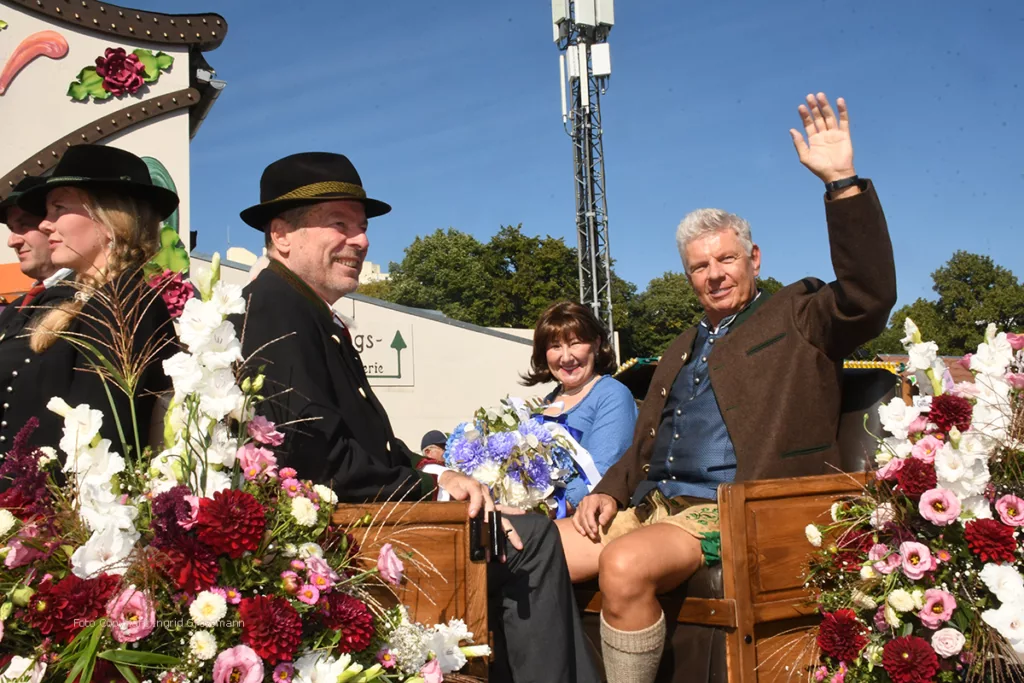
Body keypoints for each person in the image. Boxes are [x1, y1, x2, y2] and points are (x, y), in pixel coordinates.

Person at [556, 93, 897, 683]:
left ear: (754, 258)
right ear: (686, 275)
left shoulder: (799, 315)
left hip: (730, 513)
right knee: (530, 550)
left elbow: (869, 295)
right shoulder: (679, 345)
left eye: (726, 259)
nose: (714, 274)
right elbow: (644, 441)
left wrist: (842, 183)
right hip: (653, 505)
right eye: (698, 266)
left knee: (625, 563)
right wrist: (607, 491)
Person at [233, 152, 599, 683]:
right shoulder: (276, 309)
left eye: (361, 228)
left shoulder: (306, 310)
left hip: (367, 522)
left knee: (525, 535)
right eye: (339, 224)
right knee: (533, 541)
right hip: (346, 542)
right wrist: (437, 496)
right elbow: (319, 458)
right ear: (281, 233)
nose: (360, 241)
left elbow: (367, 444)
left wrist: (438, 473)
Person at [2, 144, 178, 456]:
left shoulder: (124, 301)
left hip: (62, 501)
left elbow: (103, 445)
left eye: (58, 208)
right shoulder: (95, 297)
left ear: (109, 221)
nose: (45, 223)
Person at [521, 301, 637, 509]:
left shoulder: (612, 395)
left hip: (584, 517)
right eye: (555, 346)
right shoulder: (549, 400)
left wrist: (547, 508)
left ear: (596, 343)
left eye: (575, 343)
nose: (566, 357)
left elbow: (603, 471)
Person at [0, 177, 75, 450]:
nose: (12, 240)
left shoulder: (82, 296)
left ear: (51, 226)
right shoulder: (17, 305)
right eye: (10, 228)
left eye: (24, 225)